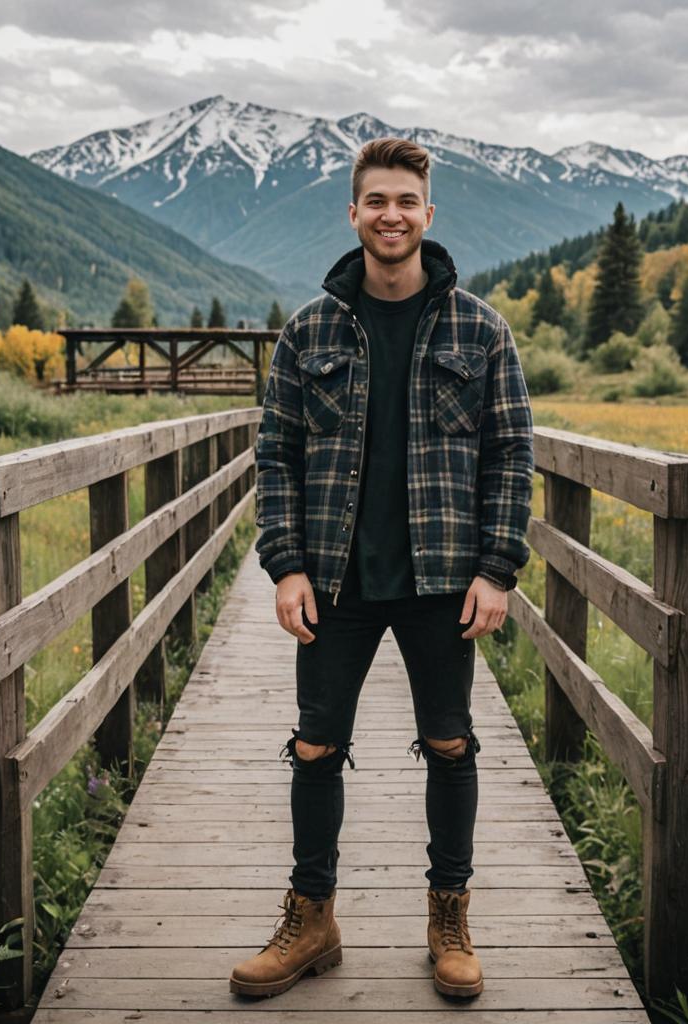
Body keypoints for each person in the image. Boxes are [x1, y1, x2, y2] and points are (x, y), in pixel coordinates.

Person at [230, 137, 533, 1000]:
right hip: (336, 582)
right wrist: (285, 566)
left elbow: (513, 453)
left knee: (450, 741)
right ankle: (313, 918)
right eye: (377, 201)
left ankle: (448, 918)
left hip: (445, 582)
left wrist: (498, 567)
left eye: (407, 201)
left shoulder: (480, 329)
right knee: (316, 744)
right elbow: (276, 455)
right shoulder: (310, 331)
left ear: (428, 214)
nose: (392, 215)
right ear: (353, 213)